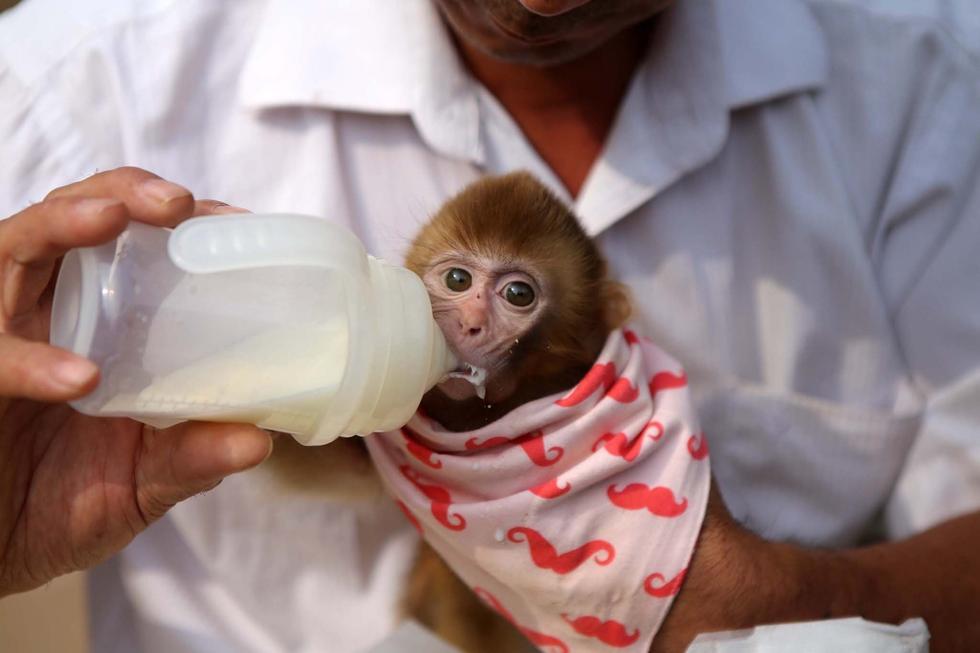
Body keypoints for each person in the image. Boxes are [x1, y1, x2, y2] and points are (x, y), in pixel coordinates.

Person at [1, 0, 978, 650]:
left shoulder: (929, 77)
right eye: (458, 281)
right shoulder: (77, 78)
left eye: (511, 296)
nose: (543, 2)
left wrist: (780, 604)